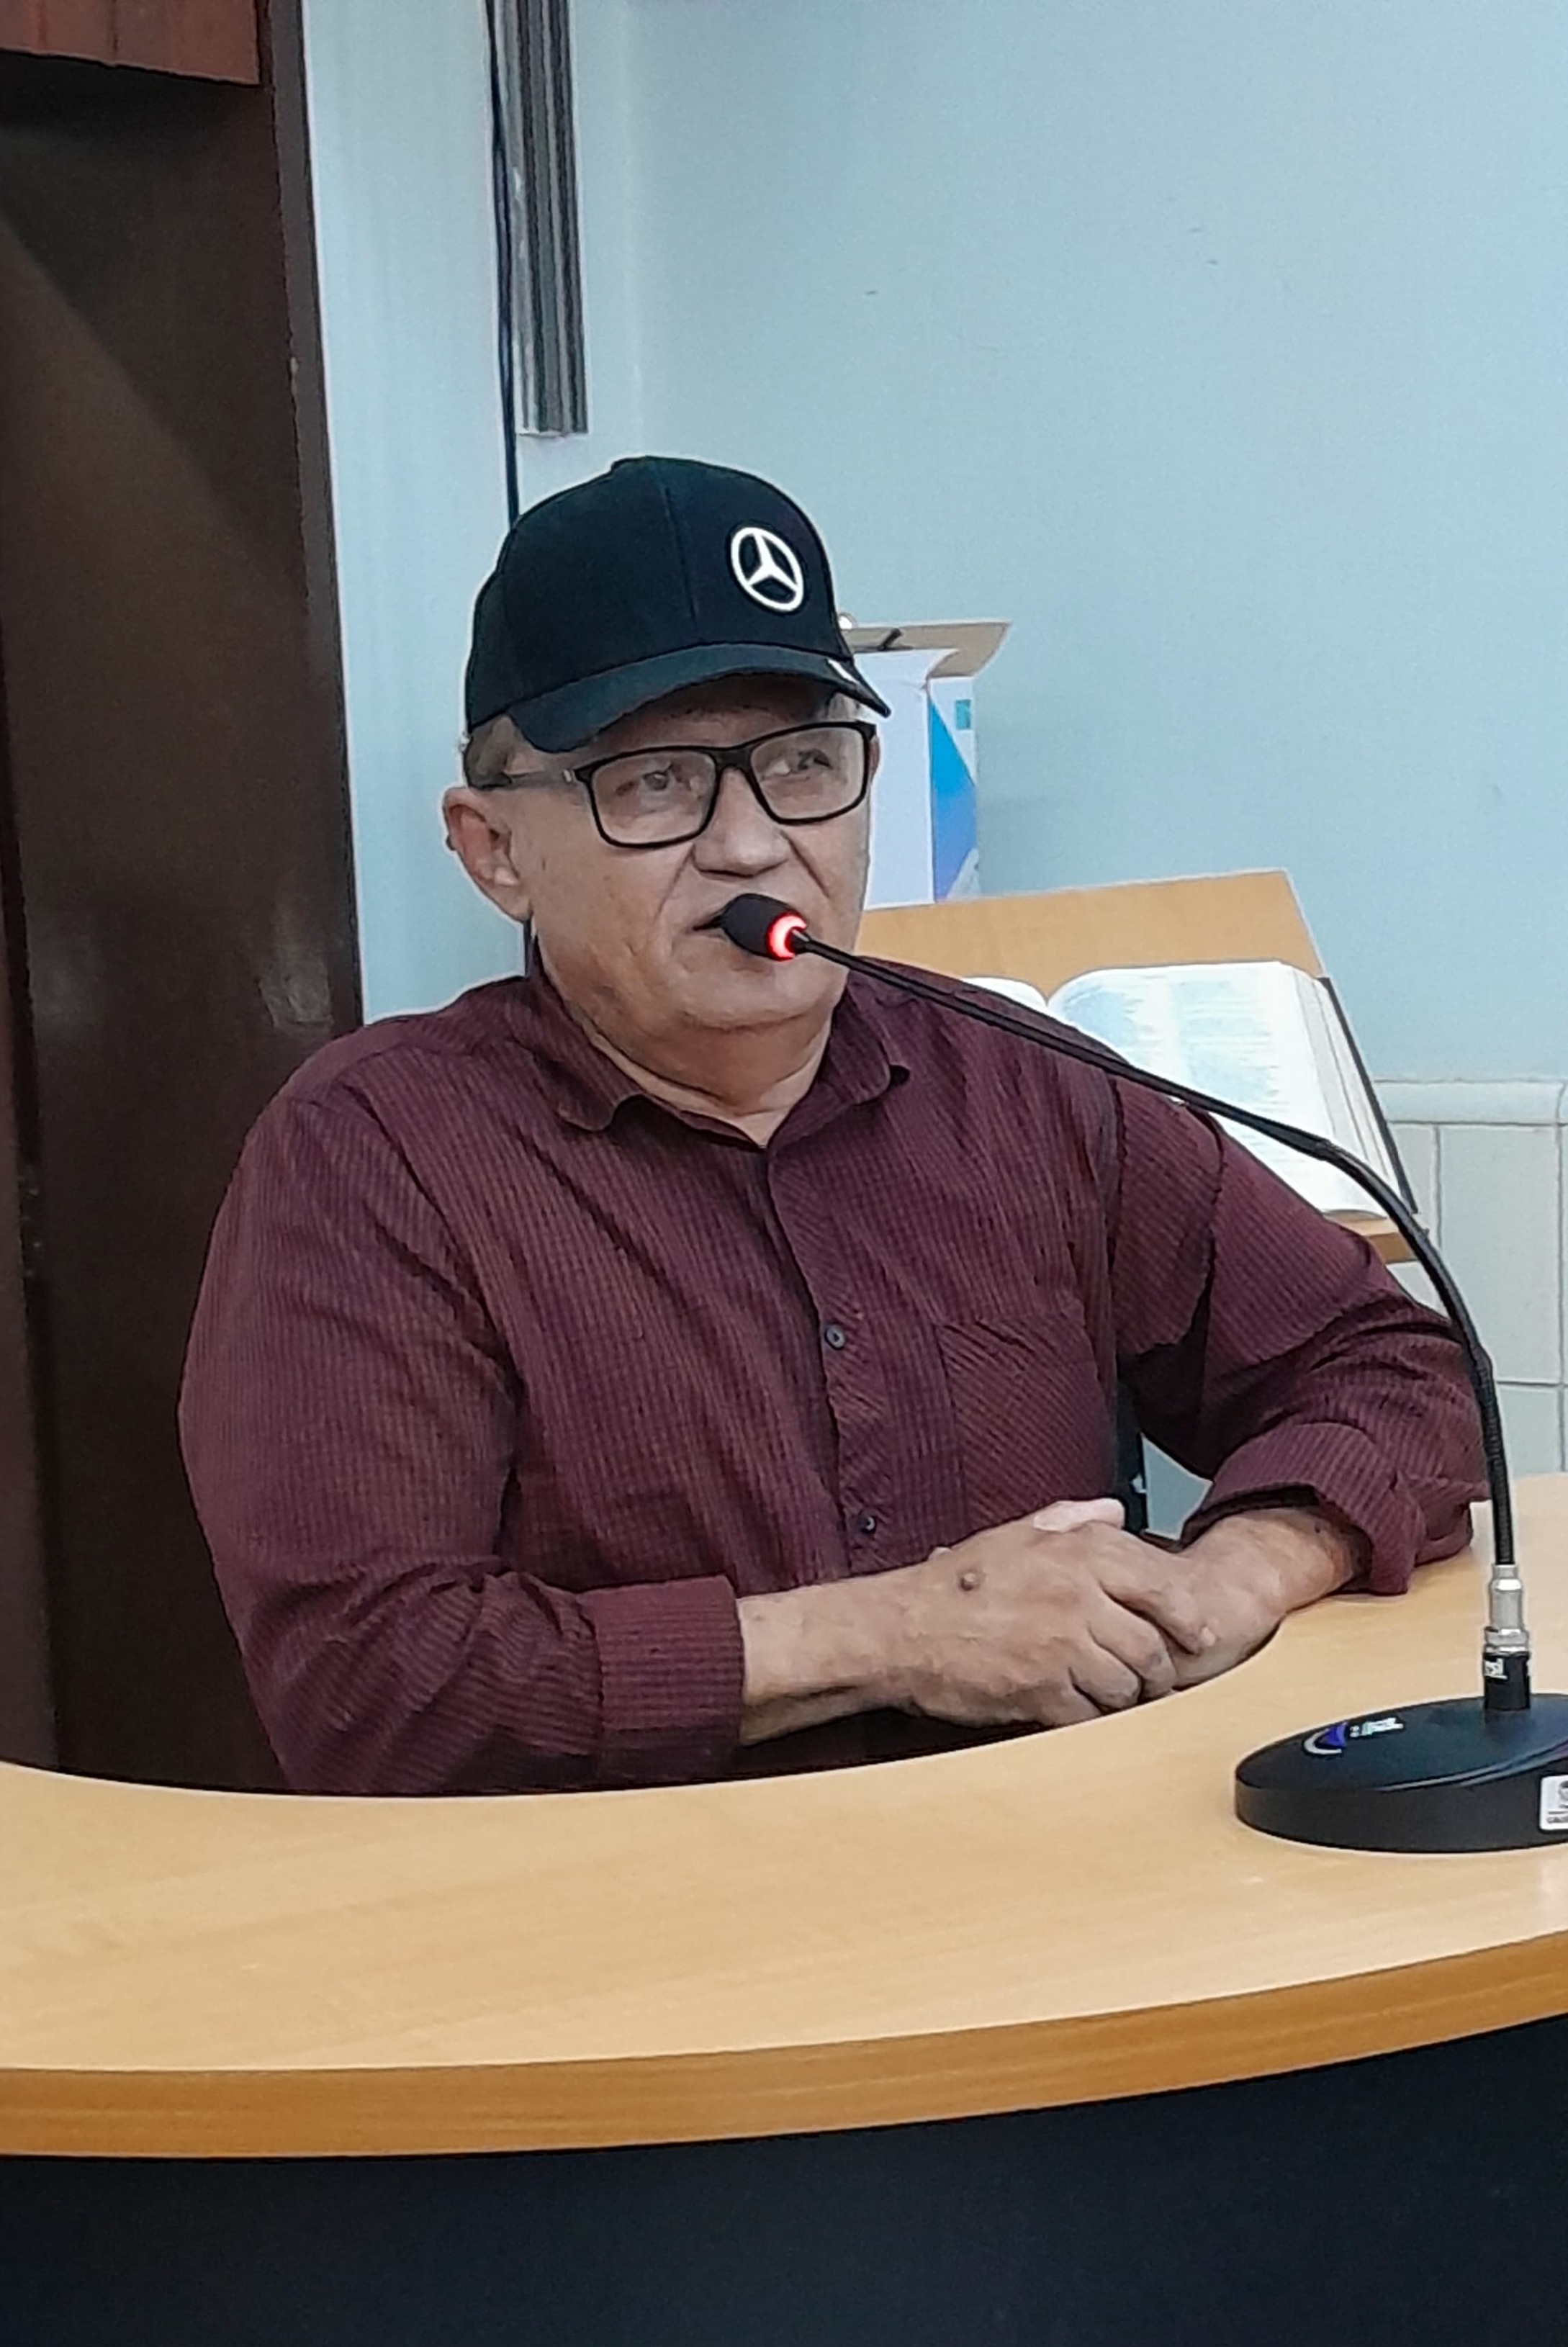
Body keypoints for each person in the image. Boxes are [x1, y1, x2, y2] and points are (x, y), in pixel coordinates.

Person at [179, 455, 1479, 1796]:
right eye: (656, 784)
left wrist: (1233, 1573)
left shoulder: (1023, 1082)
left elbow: (1394, 1368)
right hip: (633, 1901)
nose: (753, 847)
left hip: (1054, 1856)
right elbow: (369, 1682)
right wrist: (893, 1637)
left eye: (804, 765)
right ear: (491, 849)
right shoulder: (372, 1155)